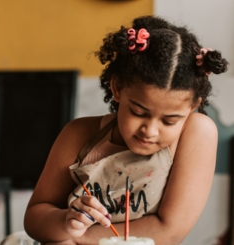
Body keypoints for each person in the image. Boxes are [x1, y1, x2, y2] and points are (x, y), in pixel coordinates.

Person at [24, 15, 228, 245]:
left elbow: (168, 231)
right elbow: (35, 216)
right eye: (139, 113)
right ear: (117, 87)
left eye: (169, 121)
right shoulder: (78, 134)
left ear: (193, 106)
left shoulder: (197, 133)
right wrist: (66, 222)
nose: (149, 131)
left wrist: (76, 237)